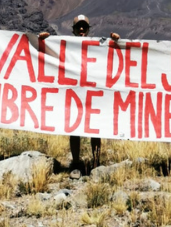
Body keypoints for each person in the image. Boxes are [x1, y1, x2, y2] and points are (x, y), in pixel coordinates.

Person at [39, 14, 119, 177]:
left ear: (88, 29)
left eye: (84, 26)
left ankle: (96, 163)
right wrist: (43, 41)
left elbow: (116, 56)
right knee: (74, 128)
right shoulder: (67, 46)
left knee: (95, 129)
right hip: (74, 93)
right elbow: (48, 57)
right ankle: (76, 162)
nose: (81, 29)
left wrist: (117, 42)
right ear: (73, 30)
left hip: (94, 94)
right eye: (78, 27)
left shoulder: (99, 45)